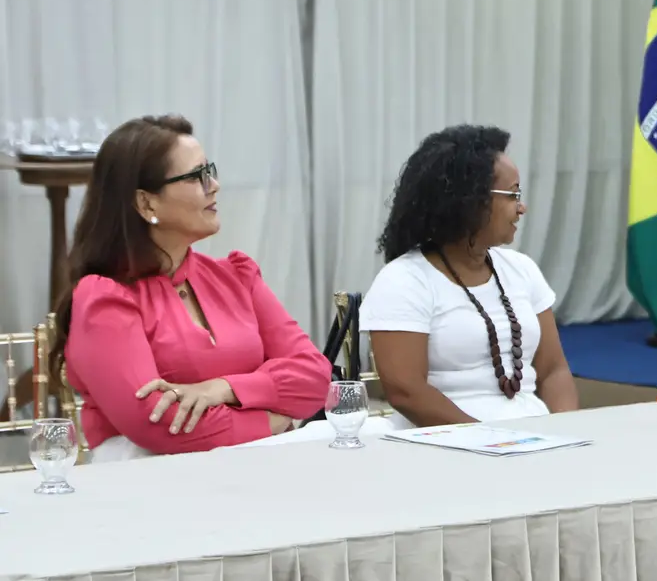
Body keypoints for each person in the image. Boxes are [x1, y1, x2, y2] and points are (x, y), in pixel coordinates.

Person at [53, 115, 333, 462]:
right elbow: (157, 424)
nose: (214, 185)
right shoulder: (106, 297)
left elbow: (314, 376)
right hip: (151, 481)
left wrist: (222, 389)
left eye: (210, 171)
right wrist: (273, 420)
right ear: (147, 203)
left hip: (254, 469)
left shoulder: (236, 276)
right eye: (196, 176)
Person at [361, 124, 579, 427]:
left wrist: (566, 428)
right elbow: (406, 392)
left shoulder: (522, 269)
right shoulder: (404, 280)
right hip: (446, 440)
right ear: (471, 200)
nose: (522, 207)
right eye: (513, 194)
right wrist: (489, 439)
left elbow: (554, 370)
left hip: (533, 435)